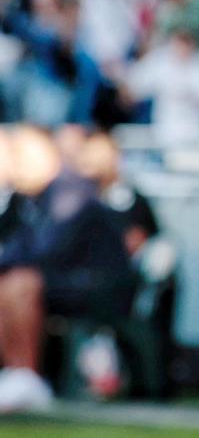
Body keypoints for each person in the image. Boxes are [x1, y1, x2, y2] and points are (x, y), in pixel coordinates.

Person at [0, 126, 135, 411]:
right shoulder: (23, 199)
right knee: (11, 282)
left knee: (22, 283)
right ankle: (13, 373)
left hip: (96, 285)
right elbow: (13, 249)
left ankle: (28, 375)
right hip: (58, 280)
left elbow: (47, 252)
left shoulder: (71, 190)